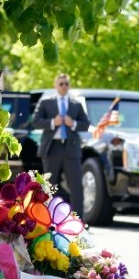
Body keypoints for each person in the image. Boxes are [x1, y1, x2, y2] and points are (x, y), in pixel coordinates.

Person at [32, 74, 90, 216]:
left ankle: (79, 221)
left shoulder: (76, 103)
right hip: (52, 148)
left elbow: (86, 125)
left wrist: (74, 123)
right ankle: (47, 219)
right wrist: (53, 122)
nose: (64, 86)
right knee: (49, 186)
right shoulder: (46, 102)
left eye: (66, 84)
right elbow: (36, 121)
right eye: (61, 84)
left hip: (71, 148)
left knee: (76, 185)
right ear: (55, 86)